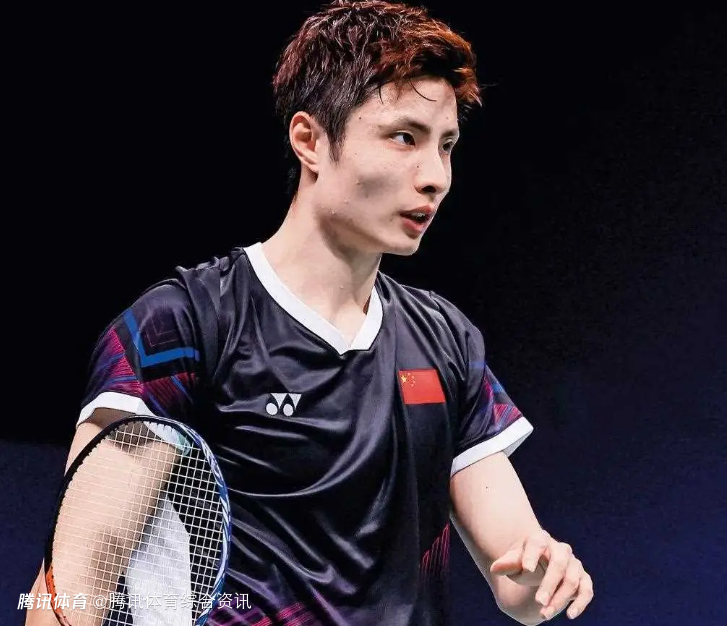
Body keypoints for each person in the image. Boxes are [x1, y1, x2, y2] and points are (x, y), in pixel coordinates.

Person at [26, 1, 593, 624]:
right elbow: (69, 589)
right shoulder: (182, 328)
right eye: (404, 137)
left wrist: (544, 570)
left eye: (447, 145)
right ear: (310, 140)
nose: (435, 177)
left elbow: (520, 587)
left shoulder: (446, 341)